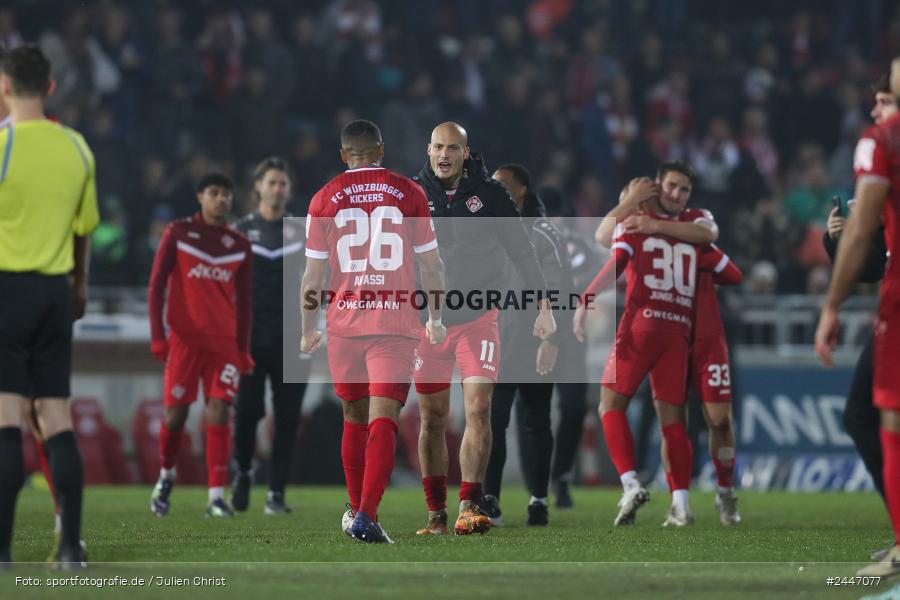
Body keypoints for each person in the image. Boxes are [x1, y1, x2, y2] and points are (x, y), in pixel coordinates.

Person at [301, 119, 446, 544]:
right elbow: (432, 266)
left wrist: (308, 328)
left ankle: (357, 509)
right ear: (381, 151)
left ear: (344, 156)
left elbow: (312, 279)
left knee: (353, 416)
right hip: (393, 322)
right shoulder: (408, 193)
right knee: (385, 418)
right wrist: (435, 318)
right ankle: (365, 514)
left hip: (345, 323)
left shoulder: (323, 199)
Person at [573, 161, 742, 527]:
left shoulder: (639, 229)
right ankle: (682, 504)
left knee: (610, 404)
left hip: (642, 325)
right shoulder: (690, 235)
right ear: (657, 189)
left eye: (683, 189)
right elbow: (730, 270)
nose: (676, 194)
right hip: (679, 331)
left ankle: (631, 483)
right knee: (674, 421)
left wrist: (584, 301)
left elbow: (612, 256)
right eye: (671, 187)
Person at [411, 122, 556, 536]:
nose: (443, 154)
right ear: (429, 148)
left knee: (478, 408)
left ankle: (469, 504)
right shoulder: (413, 195)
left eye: (452, 148)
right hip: (429, 322)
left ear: (464, 151)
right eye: (438, 146)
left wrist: (545, 308)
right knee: (433, 417)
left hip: (478, 319)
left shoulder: (492, 196)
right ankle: (435, 513)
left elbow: (523, 254)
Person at [0, 44, 99, 568]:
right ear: (53, 88)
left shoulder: (2, 147)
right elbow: (85, 229)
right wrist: (78, 284)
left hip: (8, 289)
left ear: (5, 87)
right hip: (57, 294)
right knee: (56, 416)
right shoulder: (78, 149)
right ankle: (68, 549)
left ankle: (1, 549)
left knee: (7, 417)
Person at [816, 56, 900, 577]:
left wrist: (831, 305)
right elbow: (873, 253)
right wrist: (837, 242)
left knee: (879, 416)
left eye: (885, 97)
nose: (877, 108)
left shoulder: (881, 142)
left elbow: (868, 230)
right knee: (864, 414)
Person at [147, 172, 254, 518]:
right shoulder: (178, 233)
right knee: (175, 416)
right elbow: (156, 287)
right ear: (200, 197)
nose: (221, 199)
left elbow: (245, 304)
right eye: (214, 193)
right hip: (184, 341)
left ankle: (215, 497)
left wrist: (243, 349)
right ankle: (166, 475)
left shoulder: (239, 245)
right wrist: (158, 337)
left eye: (226, 194)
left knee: (219, 411)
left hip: (223, 345)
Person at [482, 164, 570, 527]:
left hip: (533, 339)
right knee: (490, 421)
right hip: (495, 339)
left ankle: (538, 499)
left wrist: (551, 339)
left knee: (536, 422)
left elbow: (562, 289)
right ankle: (490, 501)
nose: (496, 190)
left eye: (503, 185)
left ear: (522, 191)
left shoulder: (544, 233)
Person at [231, 157, 309, 515]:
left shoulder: (304, 232)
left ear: (289, 190)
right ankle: (244, 474)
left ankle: (276, 492)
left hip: (293, 338)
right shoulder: (240, 231)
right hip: (249, 338)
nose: (278, 189)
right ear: (257, 187)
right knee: (247, 413)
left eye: (283, 183)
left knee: (288, 418)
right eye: (272, 182)